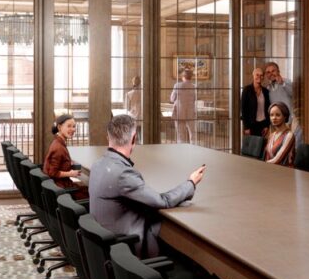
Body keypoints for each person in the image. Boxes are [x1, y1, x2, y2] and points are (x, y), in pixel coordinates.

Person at [89, 113, 205, 258]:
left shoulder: (97, 165)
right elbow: (162, 201)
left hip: (102, 247)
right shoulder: (124, 174)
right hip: (125, 250)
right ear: (134, 138)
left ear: (108, 137)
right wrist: (191, 183)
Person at [44, 113, 88, 201]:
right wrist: (70, 174)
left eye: (74, 126)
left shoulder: (58, 142)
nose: (73, 129)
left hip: (61, 186)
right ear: (59, 127)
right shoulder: (58, 148)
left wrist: (67, 163)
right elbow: (52, 173)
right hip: (61, 190)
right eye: (69, 126)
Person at [263, 102, 296, 167]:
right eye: (271, 115)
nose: (274, 118)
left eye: (278, 115)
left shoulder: (289, 135)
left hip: (285, 171)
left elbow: (277, 160)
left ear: (285, 116)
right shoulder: (272, 135)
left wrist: (262, 165)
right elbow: (267, 157)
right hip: (270, 168)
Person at [240, 67, 270, 137]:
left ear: (263, 77)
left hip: (263, 124)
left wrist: (267, 125)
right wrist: (246, 127)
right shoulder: (247, 90)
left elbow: (267, 108)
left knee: (262, 143)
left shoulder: (266, 91)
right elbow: (243, 109)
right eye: (257, 75)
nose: (259, 77)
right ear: (253, 75)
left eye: (261, 75)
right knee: (252, 143)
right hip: (251, 125)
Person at [170, 66, 196, 144]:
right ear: (191, 77)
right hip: (190, 111)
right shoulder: (194, 86)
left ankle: (182, 148)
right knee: (192, 132)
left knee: (180, 133)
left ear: (183, 77)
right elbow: (195, 99)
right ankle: (193, 147)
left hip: (179, 111)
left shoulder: (177, 85)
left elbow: (172, 98)